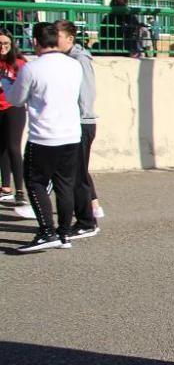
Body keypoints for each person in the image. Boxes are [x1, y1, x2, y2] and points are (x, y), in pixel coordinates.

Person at [0, 23, 84, 252]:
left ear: (35, 42)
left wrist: (6, 83)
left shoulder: (32, 68)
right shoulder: (74, 65)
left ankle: (47, 231)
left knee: (35, 182)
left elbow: (16, 99)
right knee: (64, 185)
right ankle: (64, 234)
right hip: (71, 135)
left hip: (44, 137)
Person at [54, 20, 102, 231]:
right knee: (76, 172)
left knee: (78, 175)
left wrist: (80, 117)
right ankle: (90, 212)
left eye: (57, 36)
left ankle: (87, 221)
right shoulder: (65, 59)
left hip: (82, 123)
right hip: (75, 122)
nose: (53, 41)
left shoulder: (79, 60)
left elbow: (87, 92)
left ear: (70, 39)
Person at [0, 29, 27, 208]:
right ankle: (5, 187)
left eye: (6, 44)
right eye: (0, 44)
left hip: (14, 108)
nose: (2, 48)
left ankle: (20, 190)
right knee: (1, 147)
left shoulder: (19, 63)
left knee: (13, 147)